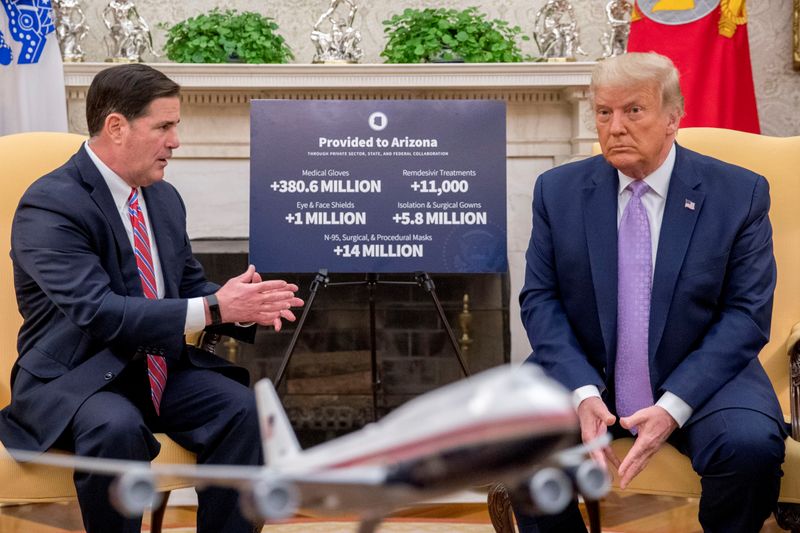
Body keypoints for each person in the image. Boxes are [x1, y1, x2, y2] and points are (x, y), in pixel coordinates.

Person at [0, 63, 304, 533]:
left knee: (244, 411)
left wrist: (242, 305)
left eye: (175, 126)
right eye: (164, 126)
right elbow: (97, 310)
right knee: (115, 427)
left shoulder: (163, 199)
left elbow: (185, 290)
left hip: (155, 370)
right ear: (116, 127)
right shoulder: (51, 203)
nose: (176, 141)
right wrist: (215, 307)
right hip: (79, 380)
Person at [518, 52, 785, 532]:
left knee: (749, 448)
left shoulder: (737, 194)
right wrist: (581, 391)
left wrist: (673, 405)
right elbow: (540, 299)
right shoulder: (556, 191)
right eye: (604, 112)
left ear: (672, 118)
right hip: (585, 369)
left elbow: (746, 314)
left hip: (703, 376)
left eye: (633, 110)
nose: (615, 126)